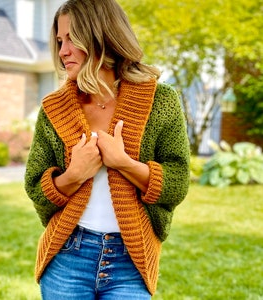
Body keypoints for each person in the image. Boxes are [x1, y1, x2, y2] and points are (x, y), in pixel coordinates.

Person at [25, 0, 190, 299]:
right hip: (67, 257)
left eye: (73, 38)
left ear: (103, 36)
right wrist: (73, 175)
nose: (63, 51)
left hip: (130, 262)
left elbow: (177, 183)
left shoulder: (161, 101)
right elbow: (35, 187)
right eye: (60, 41)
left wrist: (123, 163)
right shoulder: (54, 108)